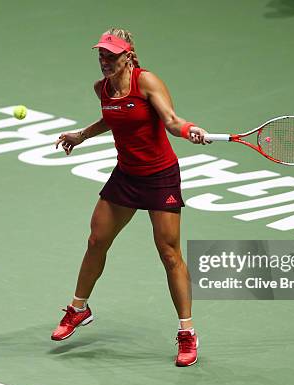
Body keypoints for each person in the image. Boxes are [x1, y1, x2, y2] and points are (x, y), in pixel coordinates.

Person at [51, 28, 209, 367]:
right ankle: (79, 309)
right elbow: (114, 118)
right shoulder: (102, 89)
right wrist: (82, 135)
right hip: (126, 175)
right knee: (96, 240)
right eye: (101, 55)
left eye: (111, 55)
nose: (104, 61)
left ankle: (187, 333)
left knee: (169, 254)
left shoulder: (147, 81)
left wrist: (189, 129)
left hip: (160, 177)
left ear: (128, 56)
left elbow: (170, 120)